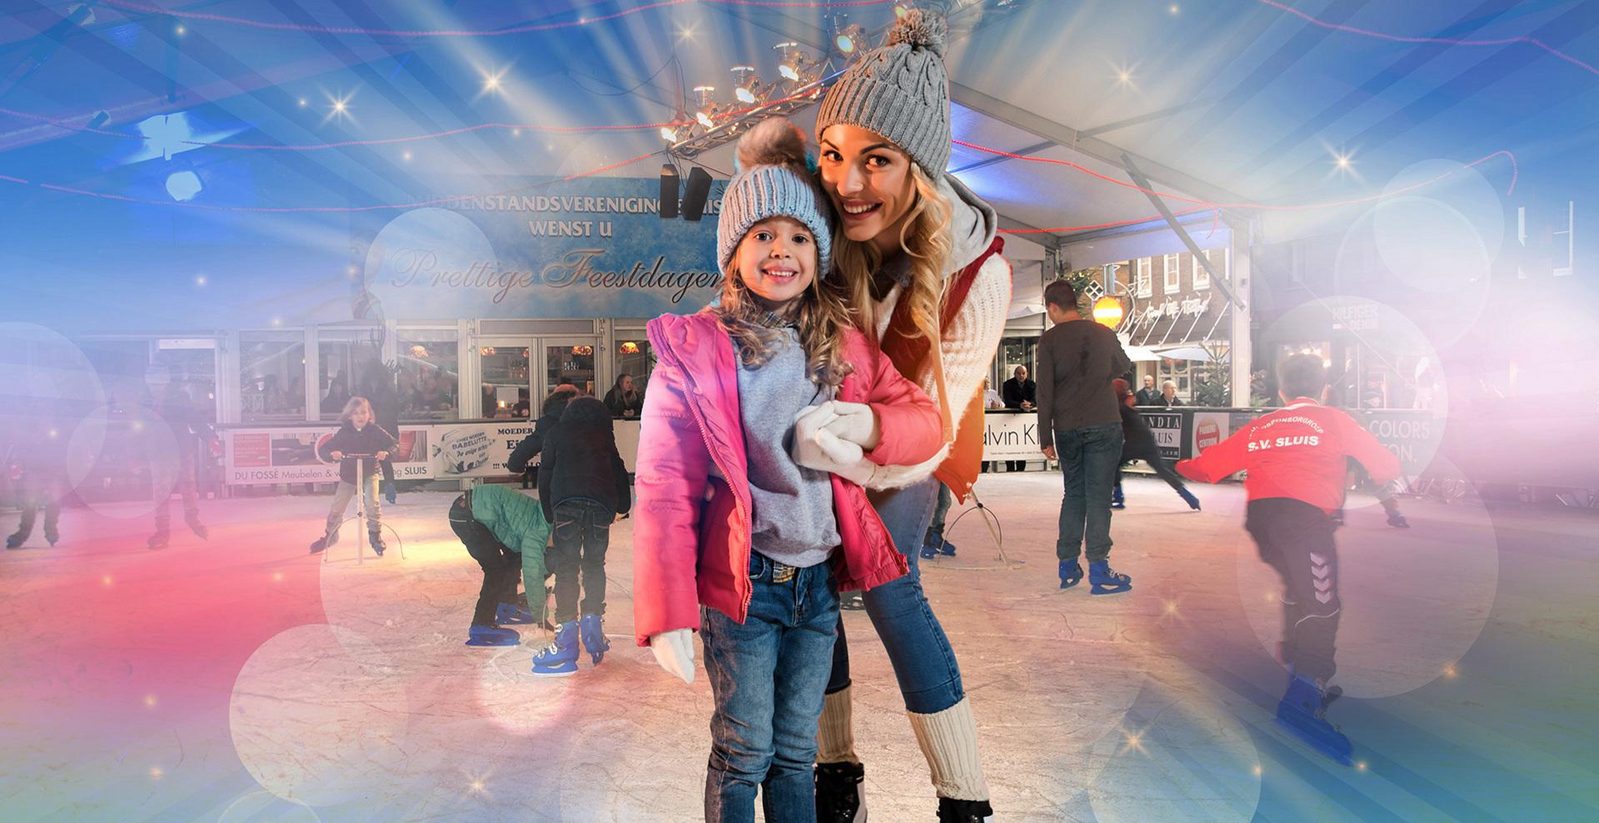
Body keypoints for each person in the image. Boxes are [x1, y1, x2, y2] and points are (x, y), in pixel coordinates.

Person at [632, 118, 942, 823]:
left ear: (819, 251)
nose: (782, 250)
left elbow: (923, 417)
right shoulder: (697, 350)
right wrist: (667, 611)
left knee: (797, 752)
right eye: (763, 234)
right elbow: (664, 490)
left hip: (818, 585)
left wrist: (870, 425)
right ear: (733, 250)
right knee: (745, 751)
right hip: (743, 587)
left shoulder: (842, 343)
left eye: (800, 237)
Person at [809, 11, 1011, 821]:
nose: (847, 182)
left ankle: (964, 796)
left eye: (876, 159)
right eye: (833, 154)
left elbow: (931, 424)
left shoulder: (977, 273)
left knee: (891, 591)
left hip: (910, 451)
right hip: (822, 444)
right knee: (810, 593)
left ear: (918, 168)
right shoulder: (822, 238)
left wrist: (849, 453)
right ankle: (834, 772)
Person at [1176, 354, 1400, 765]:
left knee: (1300, 588)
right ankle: (1302, 701)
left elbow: (1207, 468)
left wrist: (1175, 464)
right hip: (1306, 522)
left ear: (1281, 392)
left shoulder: (1263, 424)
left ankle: (1297, 658)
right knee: (1322, 605)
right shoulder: (1332, 419)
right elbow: (1387, 464)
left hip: (1263, 522)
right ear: (1323, 389)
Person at [1037, 279, 1134, 595]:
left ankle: (1067, 564)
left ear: (1053, 307)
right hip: (1103, 421)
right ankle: (1099, 569)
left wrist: (1045, 436)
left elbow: (1044, 391)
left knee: (1074, 493)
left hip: (1066, 427)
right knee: (1099, 497)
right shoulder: (1102, 332)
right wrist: (1097, 375)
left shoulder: (1049, 340)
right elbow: (1124, 366)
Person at [532, 396, 632, 676]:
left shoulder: (556, 432)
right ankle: (593, 625)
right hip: (600, 505)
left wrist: (549, 512)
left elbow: (545, 475)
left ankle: (566, 639)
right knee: (594, 565)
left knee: (567, 568)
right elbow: (618, 470)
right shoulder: (602, 435)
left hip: (566, 505)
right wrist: (623, 505)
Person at [448, 484, 551, 647]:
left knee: (514, 555)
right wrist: (540, 617)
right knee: (495, 570)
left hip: (474, 508)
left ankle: (507, 605)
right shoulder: (537, 534)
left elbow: (514, 544)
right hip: (467, 516)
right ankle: (481, 624)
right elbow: (532, 575)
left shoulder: (542, 516)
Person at [308, 397, 395, 556]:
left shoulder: (375, 430)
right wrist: (332, 454)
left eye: (363, 412)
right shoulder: (344, 432)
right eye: (356, 413)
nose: (360, 416)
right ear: (350, 416)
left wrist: (386, 453)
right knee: (338, 507)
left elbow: (394, 445)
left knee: (372, 503)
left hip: (369, 472)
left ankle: (375, 536)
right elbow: (324, 450)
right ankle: (331, 535)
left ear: (369, 414)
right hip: (348, 475)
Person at [1109, 378, 1200, 512]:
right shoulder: (1126, 403)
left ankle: (1118, 497)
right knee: (1163, 470)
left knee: (1113, 464)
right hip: (1147, 442)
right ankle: (1189, 497)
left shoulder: (1119, 406)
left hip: (1134, 443)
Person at [147, 380, 213, 549]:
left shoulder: (178, 398)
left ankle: (192, 519)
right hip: (160, 453)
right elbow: (140, 429)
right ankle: (163, 531)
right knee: (162, 492)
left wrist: (210, 437)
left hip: (180, 451)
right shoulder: (146, 399)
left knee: (187, 487)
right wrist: (134, 453)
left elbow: (195, 419)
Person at [507, 384, 580, 486]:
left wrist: (516, 466)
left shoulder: (549, 424)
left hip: (559, 481)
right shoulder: (588, 420)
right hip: (590, 481)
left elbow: (526, 449)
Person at [363, 361, 401, 505]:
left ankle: (372, 491)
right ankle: (388, 489)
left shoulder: (367, 389)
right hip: (382, 428)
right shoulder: (387, 390)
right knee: (384, 461)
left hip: (376, 429)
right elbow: (395, 410)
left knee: (372, 461)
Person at [1001, 365, 1035, 472]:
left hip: (1025, 420)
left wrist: (1029, 404)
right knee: (1009, 444)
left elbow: (1036, 399)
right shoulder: (1007, 384)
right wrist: (1020, 405)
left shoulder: (1032, 384)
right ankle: (1010, 468)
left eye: (1023, 373)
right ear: (1014, 374)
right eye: (1019, 373)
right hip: (1010, 418)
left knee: (1022, 444)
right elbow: (1008, 400)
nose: (1021, 375)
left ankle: (1021, 469)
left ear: (1027, 374)